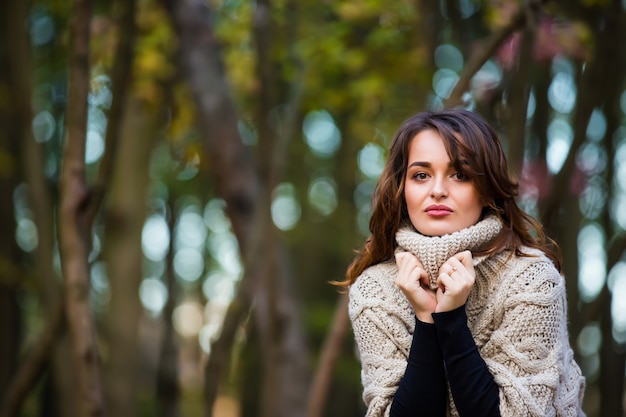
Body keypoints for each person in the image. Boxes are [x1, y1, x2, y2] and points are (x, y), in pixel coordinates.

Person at [337, 109, 586, 416]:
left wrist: (453, 318)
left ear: (486, 191)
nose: (438, 190)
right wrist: (426, 318)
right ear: (403, 191)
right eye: (421, 175)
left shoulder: (532, 279)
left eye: (460, 175)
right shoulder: (375, 290)